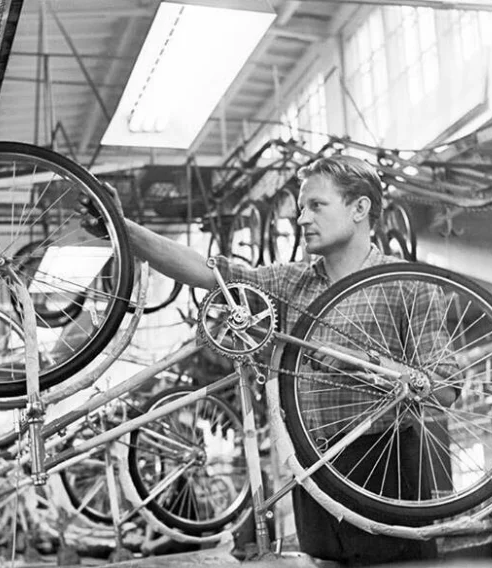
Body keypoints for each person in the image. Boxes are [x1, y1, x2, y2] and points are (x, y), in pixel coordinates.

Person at [86, 154, 455, 565]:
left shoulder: (407, 283)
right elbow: (209, 272)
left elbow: (445, 388)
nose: (302, 219)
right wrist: (122, 227)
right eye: (301, 208)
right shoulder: (290, 282)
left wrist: (368, 365)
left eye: (316, 205)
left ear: (359, 208)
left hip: (385, 463)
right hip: (311, 467)